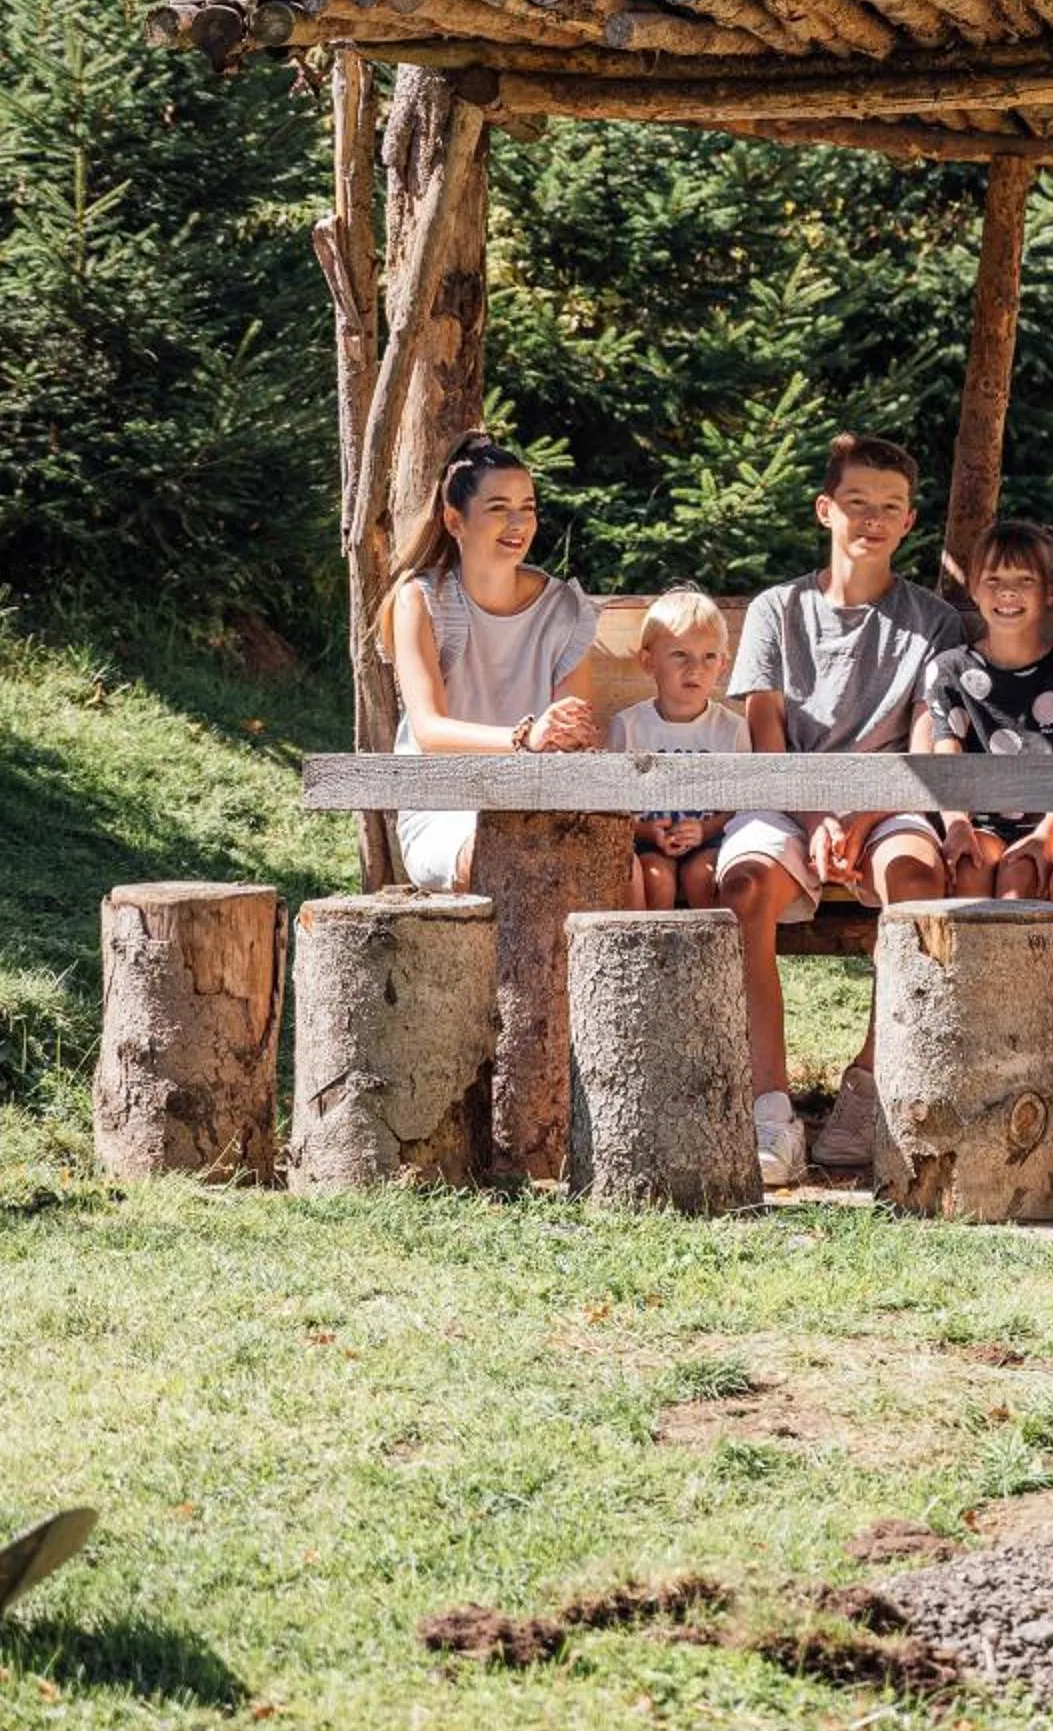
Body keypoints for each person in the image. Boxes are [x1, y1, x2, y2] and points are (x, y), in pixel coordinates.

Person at [718, 432, 964, 1187]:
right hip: (787, 795)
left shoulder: (932, 623)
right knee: (743, 888)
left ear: (910, 521)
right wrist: (818, 813)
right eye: (856, 504)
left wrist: (858, 815)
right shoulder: (776, 610)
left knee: (917, 876)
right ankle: (770, 1108)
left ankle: (869, 1084)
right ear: (827, 510)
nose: (872, 520)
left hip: (891, 798)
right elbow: (765, 737)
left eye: (889, 507)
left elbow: (927, 745)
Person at [383, 431, 601, 892]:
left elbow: (573, 731)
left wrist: (561, 735)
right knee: (504, 860)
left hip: (538, 804)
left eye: (528, 508)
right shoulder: (421, 600)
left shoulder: (565, 609)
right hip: (445, 807)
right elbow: (430, 730)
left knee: (615, 867)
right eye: (499, 509)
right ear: (454, 520)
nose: (518, 523)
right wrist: (526, 737)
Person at [919, 519, 1053, 899]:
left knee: (1019, 880)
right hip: (980, 822)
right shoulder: (949, 670)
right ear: (973, 588)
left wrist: (1048, 835)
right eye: (993, 580)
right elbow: (946, 754)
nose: (1007, 592)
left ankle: (1028, 962)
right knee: (969, 870)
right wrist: (957, 825)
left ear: (1052, 590)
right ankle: (966, 963)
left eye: (1024, 580)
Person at [609, 587, 750, 909]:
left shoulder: (732, 729)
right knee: (655, 876)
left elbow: (743, 802)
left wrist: (705, 829)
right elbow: (609, 804)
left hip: (710, 839)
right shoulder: (628, 727)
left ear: (723, 664)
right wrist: (645, 831)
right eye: (680, 655)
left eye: (708, 656)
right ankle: (654, 955)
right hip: (647, 841)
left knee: (702, 875)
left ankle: (709, 956)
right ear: (648, 662)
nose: (695, 669)